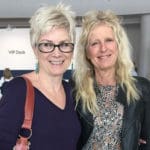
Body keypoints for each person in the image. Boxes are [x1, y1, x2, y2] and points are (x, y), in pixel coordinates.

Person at [0, 3, 81, 150]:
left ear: (72, 49)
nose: (57, 53)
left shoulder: (72, 92)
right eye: (47, 45)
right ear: (35, 49)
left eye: (64, 44)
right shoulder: (19, 90)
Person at [72, 10, 150, 150]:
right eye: (95, 43)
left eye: (109, 40)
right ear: (86, 52)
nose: (103, 48)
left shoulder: (141, 88)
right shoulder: (76, 89)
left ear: (118, 46)